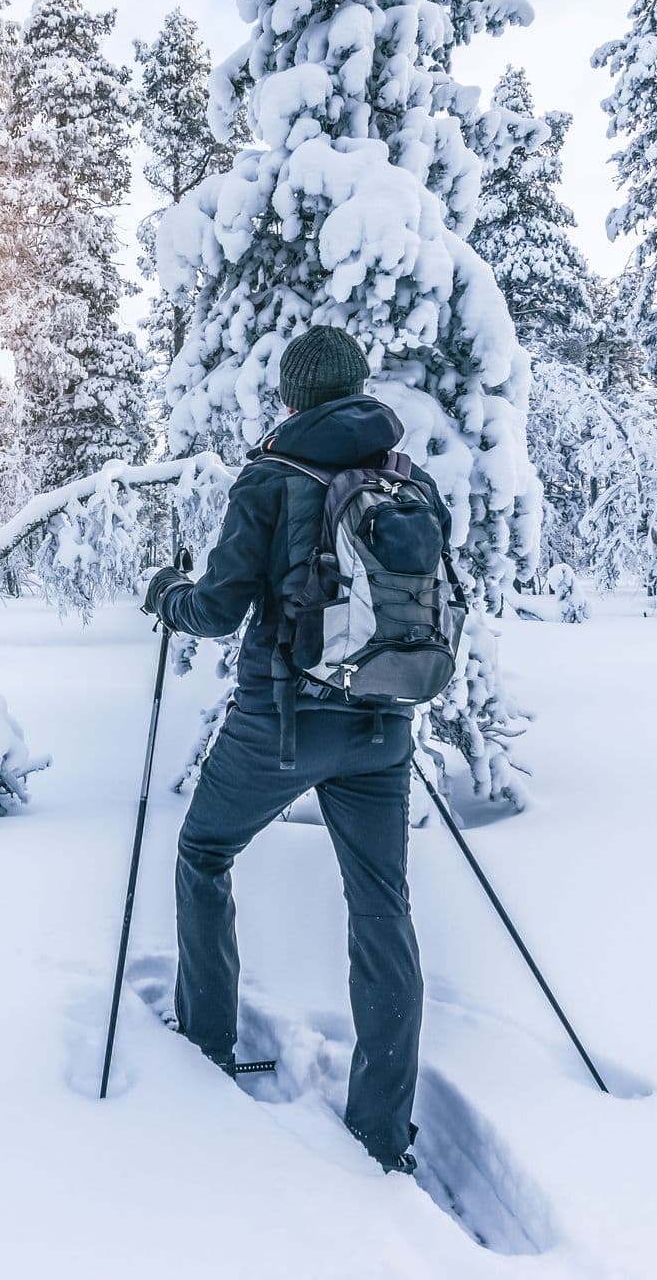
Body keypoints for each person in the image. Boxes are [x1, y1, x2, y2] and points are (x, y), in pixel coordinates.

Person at [142, 324, 436, 1176]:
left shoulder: (270, 477)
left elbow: (217, 610)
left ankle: (203, 1039)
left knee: (203, 851)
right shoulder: (401, 475)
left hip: (280, 723)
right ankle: (381, 1129)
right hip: (382, 721)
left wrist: (167, 594)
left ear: (291, 397)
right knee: (382, 908)